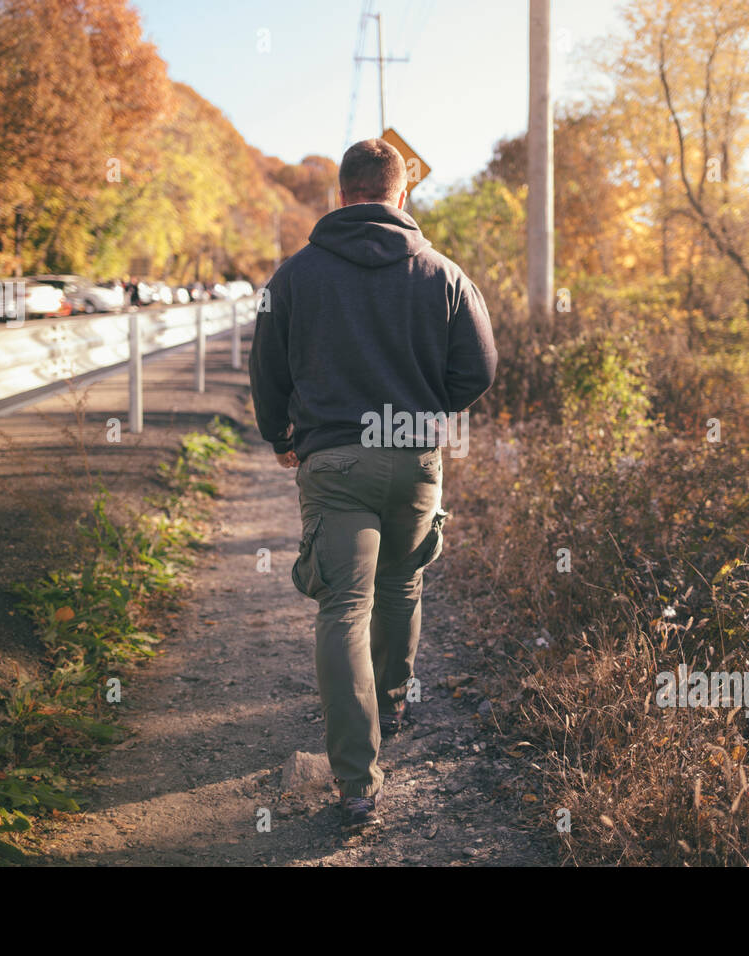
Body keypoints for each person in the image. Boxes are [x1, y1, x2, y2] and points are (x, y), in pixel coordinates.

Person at [249, 138, 497, 829]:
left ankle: (357, 784)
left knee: (342, 609)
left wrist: (282, 435)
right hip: (414, 457)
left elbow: (266, 368)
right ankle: (390, 701)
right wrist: (427, 410)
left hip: (335, 462)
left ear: (340, 196)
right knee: (401, 585)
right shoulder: (444, 274)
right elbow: (477, 369)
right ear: (402, 194)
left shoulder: (293, 278)